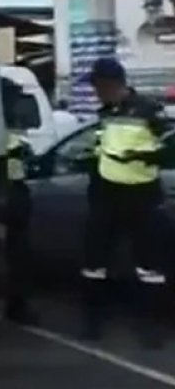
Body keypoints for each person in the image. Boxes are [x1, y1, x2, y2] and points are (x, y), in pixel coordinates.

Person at [78, 57, 168, 348]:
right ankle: (93, 323)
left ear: (112, 84)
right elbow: (102, 146)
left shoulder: (149, 110)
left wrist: (141, 157)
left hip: (141, 197)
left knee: (149, 268)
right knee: (95, 263)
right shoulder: (105, 112)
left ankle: (150, 328)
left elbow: (169, 148)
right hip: (106, 196)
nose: (95, 92)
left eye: (98, 86)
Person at [0, 77, 39, 325]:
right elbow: (22, 164)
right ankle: (17, 306)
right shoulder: (13, 129)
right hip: (13, 192)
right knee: (18, 254)